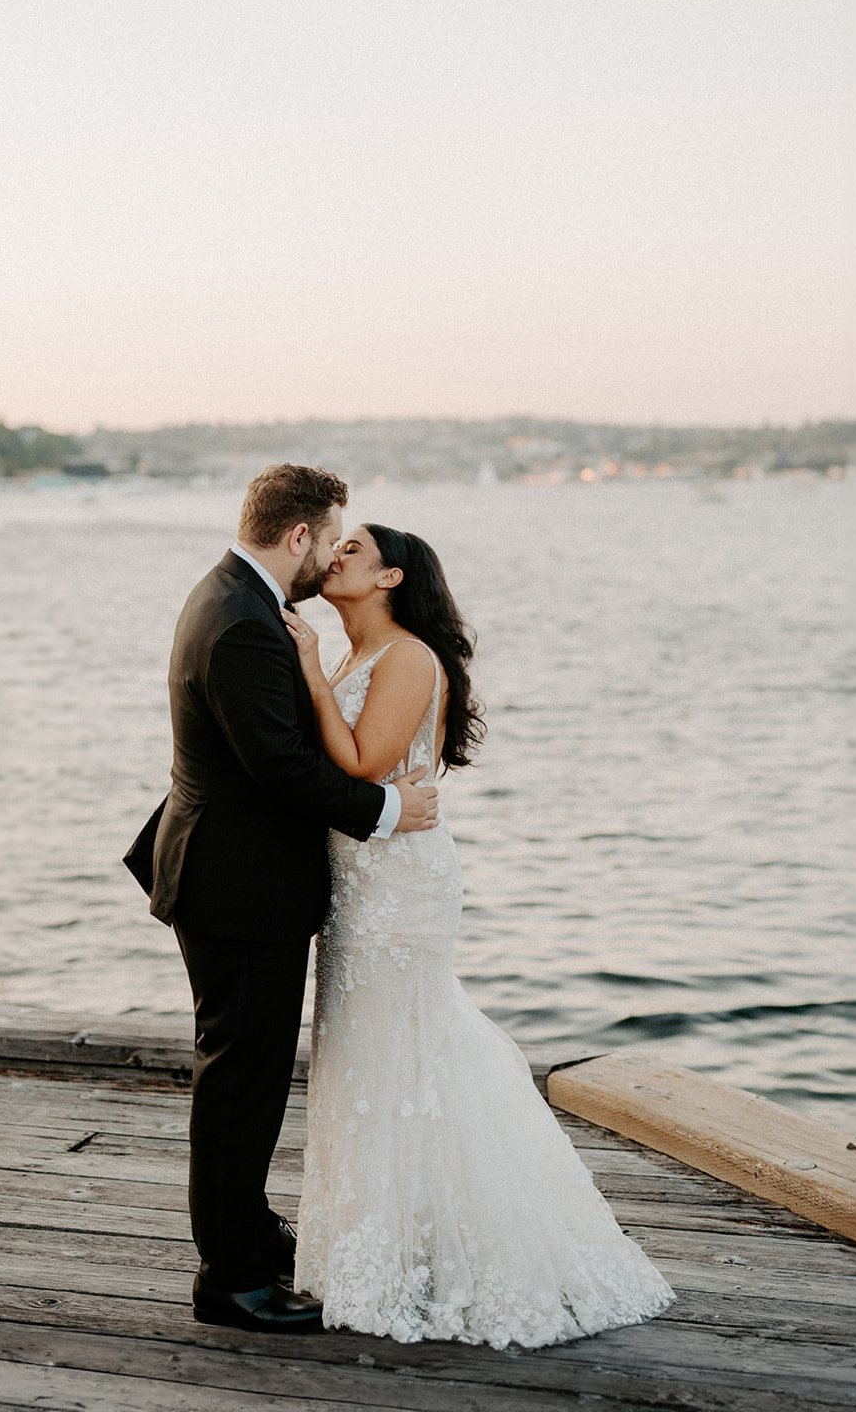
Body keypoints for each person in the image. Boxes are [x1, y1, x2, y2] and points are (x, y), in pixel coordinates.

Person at [282, 523, 675, 1348]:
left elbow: (361, 763)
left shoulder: (408, 658)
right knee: (364, 1054)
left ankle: (475, 1245)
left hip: (399, 888)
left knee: (410, 1044)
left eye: (352, 548)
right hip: (358, 883)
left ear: (391, 576)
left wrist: (311, 672)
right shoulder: (354, 658)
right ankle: (386, 1242)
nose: (335, 556)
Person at [123, 467, 440, 1335]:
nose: (330, 555)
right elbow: (283, 770)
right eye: (328, 538)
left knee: (246, 1073)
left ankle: (250, 1232)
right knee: (241, 1083)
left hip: (233, 875)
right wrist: (387, 808)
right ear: (297, 536)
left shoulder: (234, 600)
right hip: (237, 885)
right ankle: (232, 1281)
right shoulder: (243, 625)